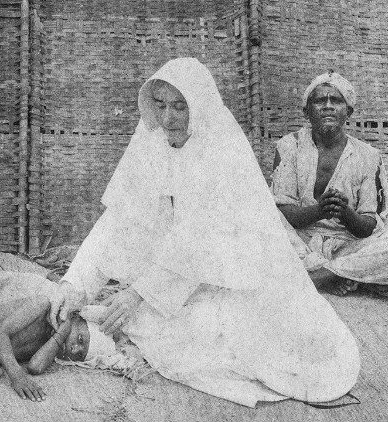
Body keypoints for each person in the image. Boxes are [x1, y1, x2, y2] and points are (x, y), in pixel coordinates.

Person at [50, 58, 361, 407]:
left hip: (239, 274)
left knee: (220, 342)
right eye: (161, 105)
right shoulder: (153, 141)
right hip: (181, 273)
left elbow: (203, 239)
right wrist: (75, 283)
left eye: (180, 106)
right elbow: (118, 219)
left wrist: (138, 292)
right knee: (147, 327)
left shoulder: (221, 151)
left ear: (198, 105)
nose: (168, 117)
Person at [271, 72, 388, 297]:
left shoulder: (368, 155)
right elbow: (283, 213)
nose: (328, 106)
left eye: (336, 101)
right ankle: (346, 275)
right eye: (319, 101)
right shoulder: (289, 146)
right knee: (261, 214)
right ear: (307, 112)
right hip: (300, 244)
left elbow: (367, 227)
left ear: (348, 112)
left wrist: (345, 212)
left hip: (349, 248)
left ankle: (324, 275)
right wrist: (319, 211)